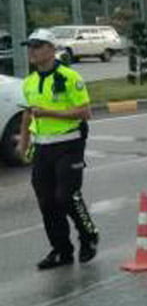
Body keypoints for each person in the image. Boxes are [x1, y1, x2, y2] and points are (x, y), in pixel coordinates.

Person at [16, 29, 99, 270]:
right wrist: (24, 143)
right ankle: (62, 251)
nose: (31, 51)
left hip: (69, 144)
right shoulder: (30, 82)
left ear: (51, 50)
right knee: (46, 201)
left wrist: (51, 113)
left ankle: (89, 237)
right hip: (43, 147)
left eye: (37, 46)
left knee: (67, 196)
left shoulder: (69, 77)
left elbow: (86, 112)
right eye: (29, 46)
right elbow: (27, 114)